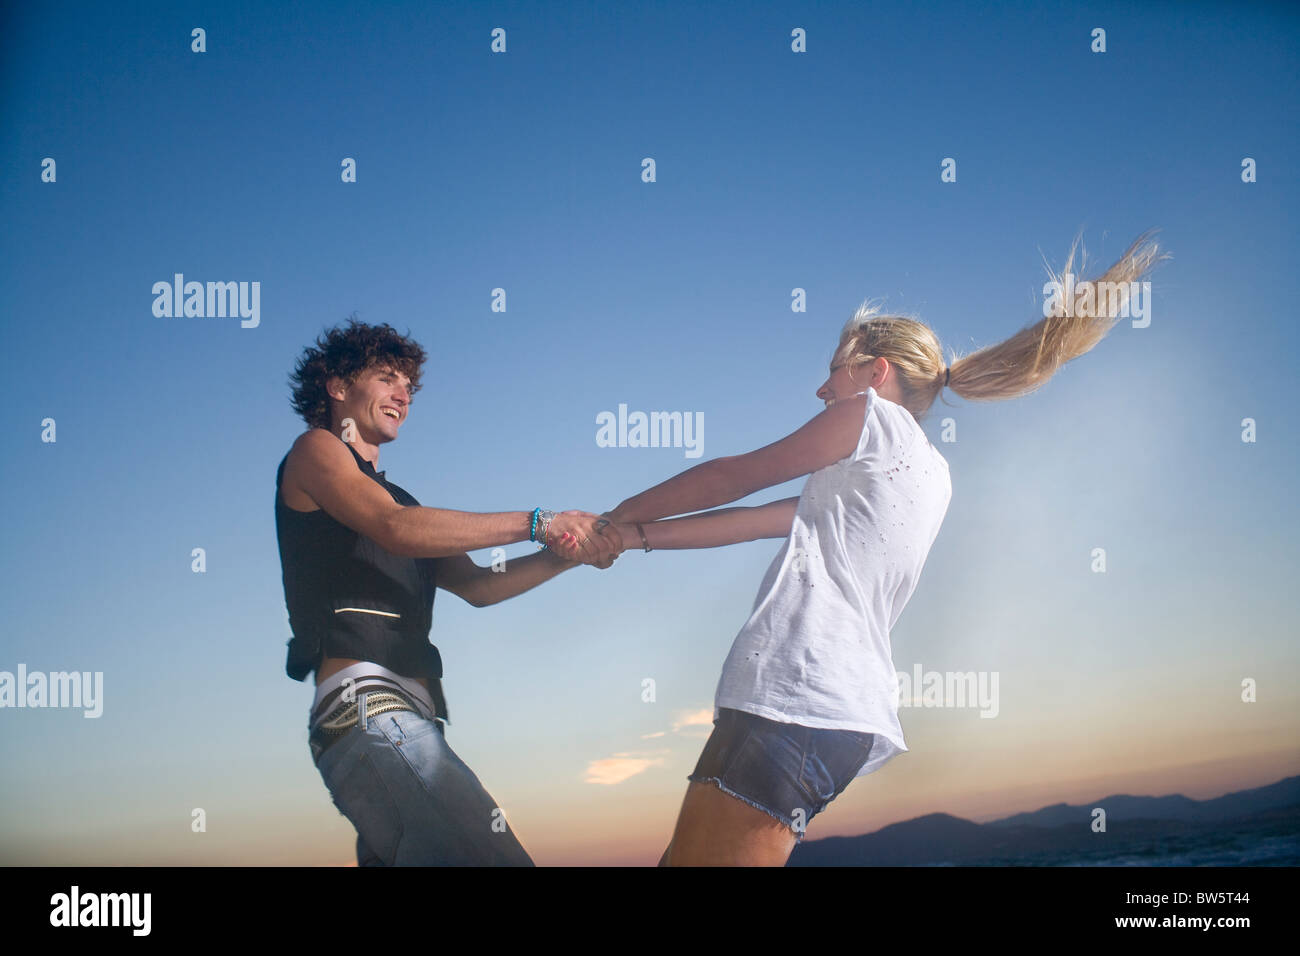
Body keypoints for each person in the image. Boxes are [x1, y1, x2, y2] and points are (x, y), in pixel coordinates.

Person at [565, 232, 1166, 865]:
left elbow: (735, 475)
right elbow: (748, 520)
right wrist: (629, 538)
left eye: (834, 371)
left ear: (876, 372)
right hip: (837, 720)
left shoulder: (870, 421)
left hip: (794, 697)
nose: (822, 391)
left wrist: (609, 514)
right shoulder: (927, 474)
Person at [275, 316, 620, 866]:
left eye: (408, 386)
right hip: (368, 710)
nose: (402, 393)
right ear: (337, 387)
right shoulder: (315, 450)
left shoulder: (404, 503)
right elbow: (394, 529)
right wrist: (540, 521)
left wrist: (565, 555)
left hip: (409, 719)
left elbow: (480, 586)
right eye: (386, 377)